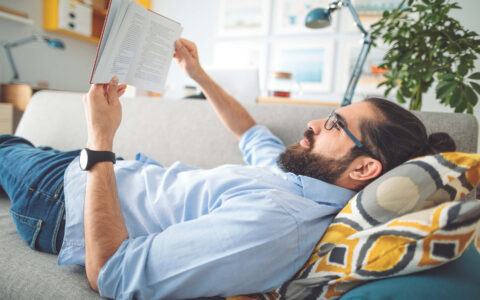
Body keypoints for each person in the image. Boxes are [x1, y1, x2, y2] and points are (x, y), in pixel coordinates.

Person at [0, 38, 455, 299]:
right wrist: (196, 73)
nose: (314, 123)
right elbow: (251, 133)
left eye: (334, 124)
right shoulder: (303, 182)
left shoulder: (278, 225)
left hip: (62, 198)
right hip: (95, 172)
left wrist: (99, 142)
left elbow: (114, 274)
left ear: (363, 168)